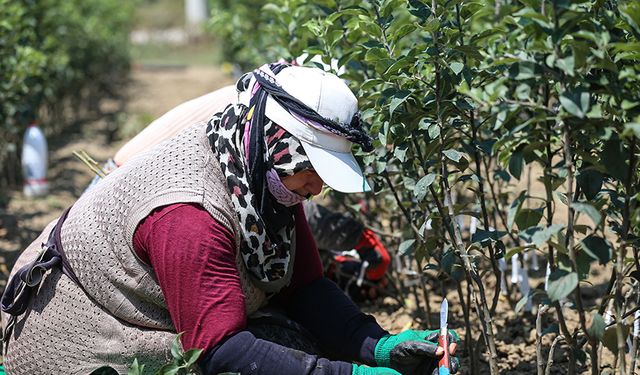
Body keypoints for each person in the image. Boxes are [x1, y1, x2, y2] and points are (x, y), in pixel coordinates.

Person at [1, 63, 458, 374]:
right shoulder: (189, 214)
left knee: (289, 337)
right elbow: (221, 349)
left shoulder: (261, 180)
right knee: (279, 348)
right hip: (79, 346)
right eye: (311, 170)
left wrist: (376, 346)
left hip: (171, 323)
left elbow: (304, 288)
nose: (317, 188)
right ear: (275, 146)